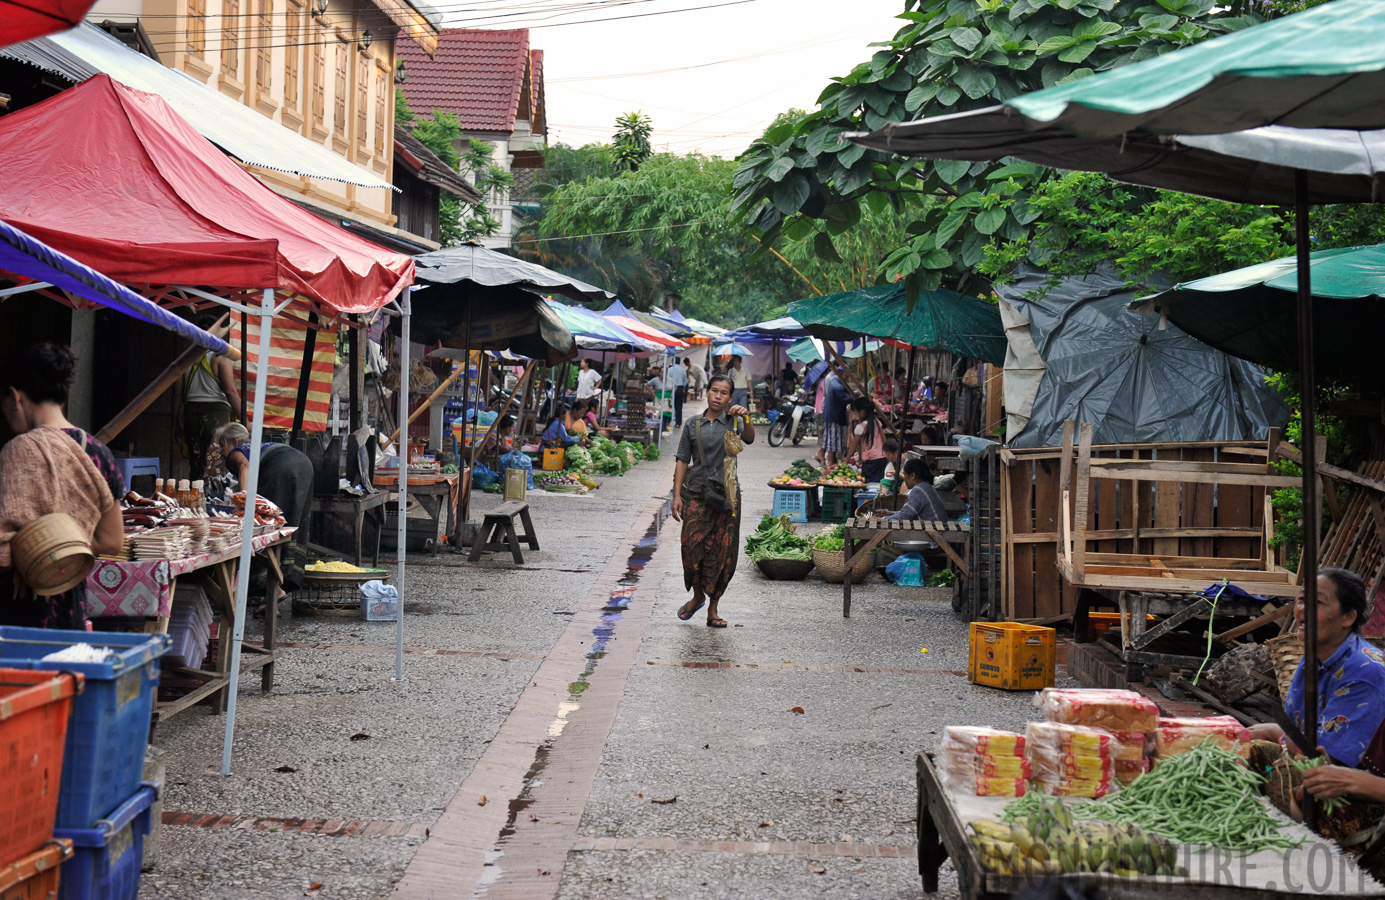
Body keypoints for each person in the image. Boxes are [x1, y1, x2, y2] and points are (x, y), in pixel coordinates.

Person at [0, 343, 125, 629]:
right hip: (71, 602)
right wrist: (65, 547)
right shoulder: (97, 452)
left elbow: (4, 549)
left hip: (21, 610)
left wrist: (39, 549)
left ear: (14, 396)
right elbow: (111, 542)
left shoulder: (20, 450)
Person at [1250, 569, 1385, 766]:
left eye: (1318, 603)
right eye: (1302, 599)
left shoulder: (1365, 671)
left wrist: (1272, 731)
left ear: (1348, 618)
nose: (1303, 609)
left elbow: (1329, 759)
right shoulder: (1314, 657)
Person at [672, 374, 754, 628]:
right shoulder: (691, 424)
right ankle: (697, 596)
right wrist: (676, 495)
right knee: (690, 546)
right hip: (697, 492)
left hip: (727, 496)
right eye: (714, 391)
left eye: (724, 393)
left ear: (730, 397)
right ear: (706, 393)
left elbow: (749, 438)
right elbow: (682, 459)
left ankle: (713, 609)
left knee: (723, 551)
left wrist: (746, 417)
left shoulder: (733, 422)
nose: (718, 396)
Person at [216, 422, 313, 600]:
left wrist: (243, 502)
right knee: (288, 524)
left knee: (264, 528)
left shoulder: (238, 451)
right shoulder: (259, 446)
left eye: (222, 445)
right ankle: (275, 595)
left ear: (235, 441)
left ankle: (273, 591)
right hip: (304, 464)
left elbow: (244, 466)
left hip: (281, 467)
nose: (222, 452)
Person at [173, 314, 242, 481]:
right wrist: (244, 420)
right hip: (216, 416)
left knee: (196, 466)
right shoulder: (219, 357)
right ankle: (212, 504)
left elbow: (177, 394)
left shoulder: (186, 358)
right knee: (215, 466)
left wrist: (176, 422)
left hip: (191, 415)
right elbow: (230, 391)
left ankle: (193, 503)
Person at [846, 396, 889, 483]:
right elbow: (885, 440)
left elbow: (853, 445)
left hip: (871, 461)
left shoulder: (860, 427)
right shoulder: (877, 422)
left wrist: (846, 460)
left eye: (856, 411)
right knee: (879, 482)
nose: (855, 414)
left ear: (862, 412)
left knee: (868, 483)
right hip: (882, 458)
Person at [820, 364, 852, 468]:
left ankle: (830, 461)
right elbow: (845, 398)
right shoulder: (837, 385)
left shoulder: (834, 379)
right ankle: (830, 463)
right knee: (832, 440)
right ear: (845, 374)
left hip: (830, 414)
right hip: (834, 415)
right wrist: (855, 395)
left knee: (830, 438)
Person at [668, 355, 689, 427]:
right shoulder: (682, 370)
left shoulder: (669, 370)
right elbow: (685, 381)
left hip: (671, 389)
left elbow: (667, 380)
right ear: (679, 362)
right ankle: (678, 423)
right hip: (680, 389)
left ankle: (668, 422)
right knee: (679, 407)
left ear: (672, 362)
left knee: (669, 405)